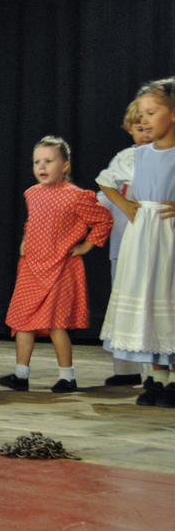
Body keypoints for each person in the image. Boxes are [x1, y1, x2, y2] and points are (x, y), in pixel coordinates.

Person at [0, 137, 112, 393]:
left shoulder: (76, 196)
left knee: (55, 324)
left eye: (49, 161)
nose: (42, 166)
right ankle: (21, 375)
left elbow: (103, 220)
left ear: (65, 166)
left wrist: (86, 246)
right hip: (31, 267)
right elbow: (33, 221)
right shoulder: (32, 193)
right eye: (37, 162)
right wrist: (26, 240)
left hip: (60, 268)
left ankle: (67, 377)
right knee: (23, 321)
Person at [100, 78, 175, 406]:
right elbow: (105, 180)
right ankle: (157, 378)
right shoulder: (138, 155)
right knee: (148, 303)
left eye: (151, 112)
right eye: (141, 114)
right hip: (144, 239)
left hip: (170, 237)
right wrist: (127, 205)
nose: (144, 120)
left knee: (169, 302)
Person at [95, 100, 152, 386]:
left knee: (153, 305)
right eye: (139, 129)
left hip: (156, 245)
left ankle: (156, 371)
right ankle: (126, 370)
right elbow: (103, 196)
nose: (145, 134)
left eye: (148, 127)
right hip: (124, 244)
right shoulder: (124, 159)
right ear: (130, 129)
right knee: (124, 305)